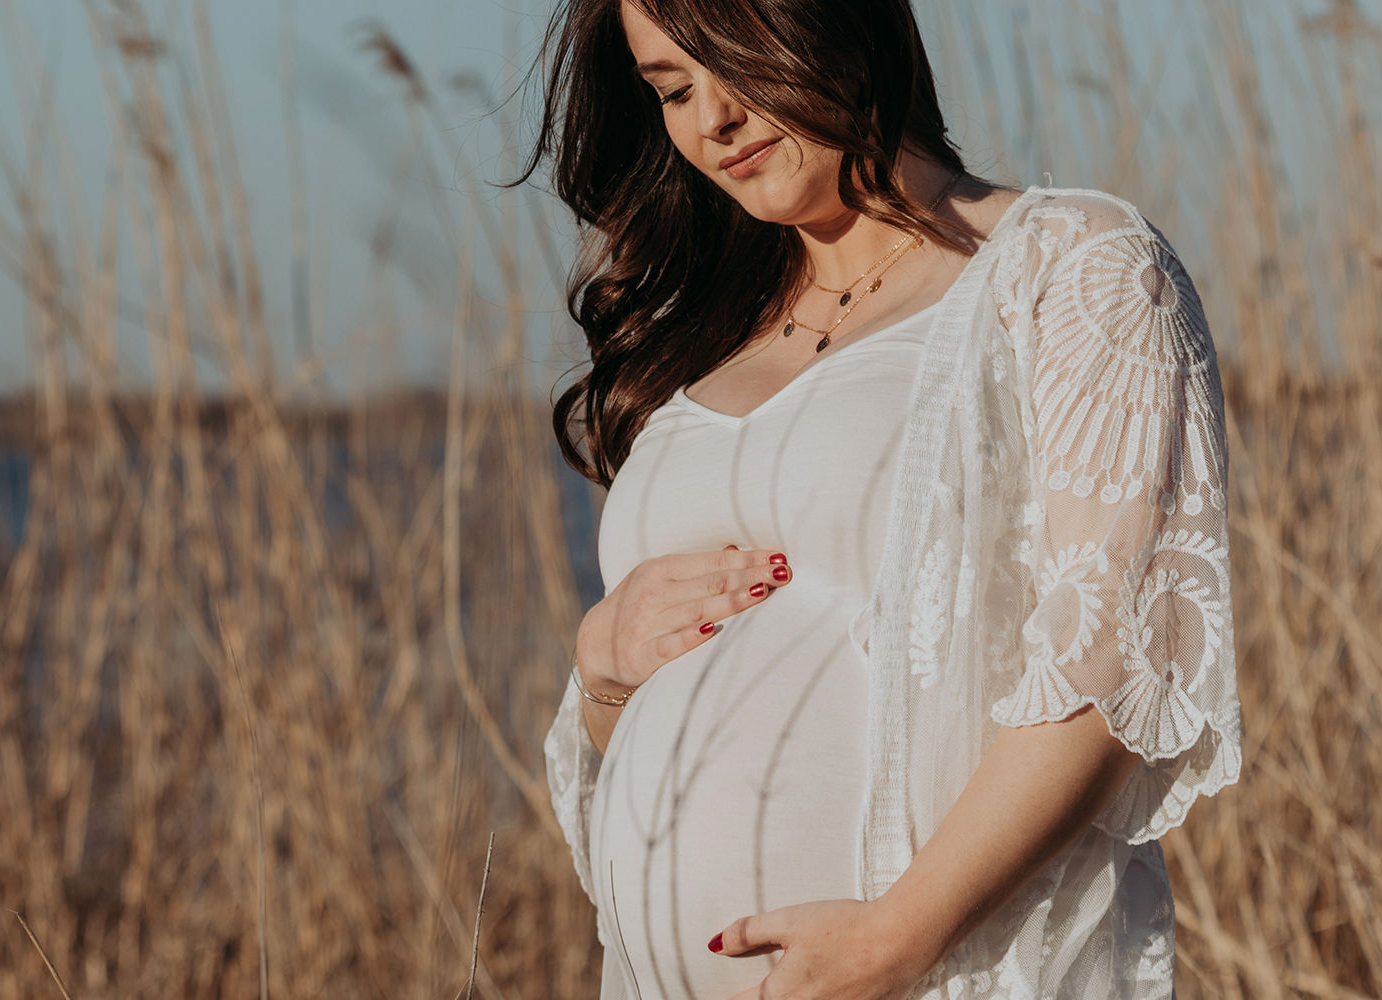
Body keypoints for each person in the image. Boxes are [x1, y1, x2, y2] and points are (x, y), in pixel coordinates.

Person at [521, 0, 1242, 996]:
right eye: (674, 90)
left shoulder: (1070, 267)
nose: (712, 120)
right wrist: (604, 671)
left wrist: (897, 937)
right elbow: (644, 737)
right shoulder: (694, 338)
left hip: (933, 971)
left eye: (737, 62)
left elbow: (1117, 655)